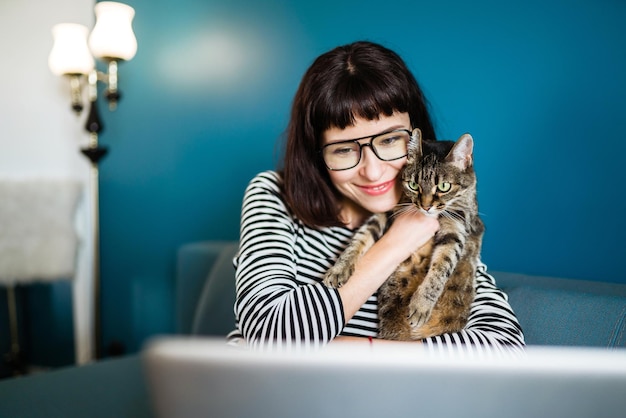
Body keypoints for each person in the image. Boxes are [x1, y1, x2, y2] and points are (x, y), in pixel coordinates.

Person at [227, 41, 524, 353]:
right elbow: (267, 336)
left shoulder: (443, 217)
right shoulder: (273, 193)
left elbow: (503, 348)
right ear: (317, 153)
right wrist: (394, 243)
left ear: (416, 140)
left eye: (391, 140)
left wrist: (329, 349)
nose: (372, 171)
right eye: (343, 149)